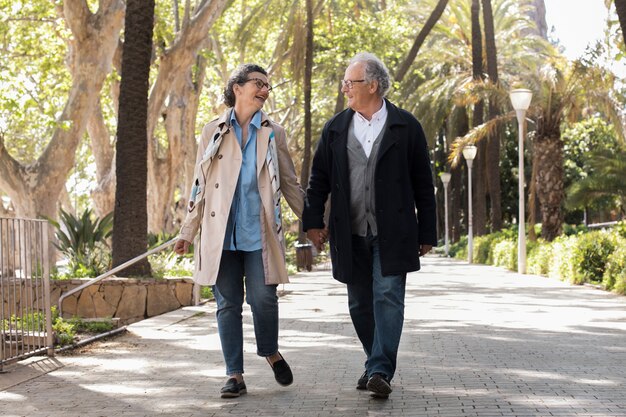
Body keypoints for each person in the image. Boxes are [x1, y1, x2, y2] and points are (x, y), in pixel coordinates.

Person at [303, 52, 436, 399]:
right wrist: (313, 222)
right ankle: (373, 361)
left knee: (388, 296)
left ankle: (380, 370)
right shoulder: (335, 128)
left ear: (373, 85)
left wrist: (428, 232)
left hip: (394, 232)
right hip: (349, 232)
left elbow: (424, 182)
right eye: (346, 82)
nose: (345, 87)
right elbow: (319, 179)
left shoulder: (406, 126)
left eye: (352, 82)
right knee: (360, 303)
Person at [174, 64, 304, 399]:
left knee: (263, 298)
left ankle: (270, 352)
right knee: (227, 303)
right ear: (237, 88)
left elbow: (288, 182)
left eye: (267, 86)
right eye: (259, 84)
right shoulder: (213, 130)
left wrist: (314, 222)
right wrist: (187, 231)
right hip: (221, 234)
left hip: (258, 232)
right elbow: (199, 185)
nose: (264, 90)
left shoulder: (272, 132)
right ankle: (234, 375)